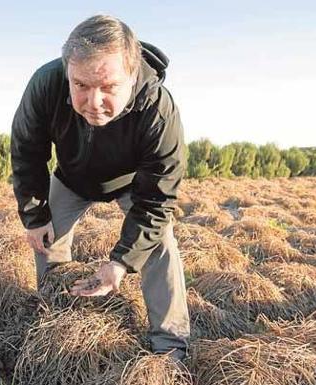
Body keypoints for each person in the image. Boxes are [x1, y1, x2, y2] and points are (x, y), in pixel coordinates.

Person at [10, 14, 190, 361]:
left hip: (132, 184)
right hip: (72, 177)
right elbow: (27, 150)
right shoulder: (46, 84)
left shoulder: (158, 110)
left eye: (108, 87)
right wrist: (34, 215)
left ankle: (170, 346)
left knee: (160, 244)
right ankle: (56, 314)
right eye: (80, 85)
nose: (93, 102)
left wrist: (121, 262)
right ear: (67, 71)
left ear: (132, 74)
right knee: (46, 241)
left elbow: (157, 198)